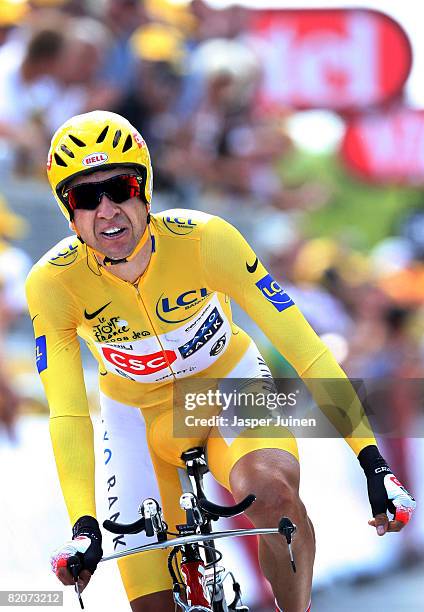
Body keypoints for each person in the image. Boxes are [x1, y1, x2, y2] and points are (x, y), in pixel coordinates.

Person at [25, 111, 415, 612]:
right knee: (150, 604)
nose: (108, 210)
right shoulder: (53, 283)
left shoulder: (207, 239)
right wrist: (82, 525)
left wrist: (373, 462)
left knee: (275, 499)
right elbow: (67, 410)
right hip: (136, 422)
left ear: (145, 189)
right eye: (86, 197)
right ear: (68, 210)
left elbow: (306, 348)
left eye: (120, 187)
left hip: (225, 390)